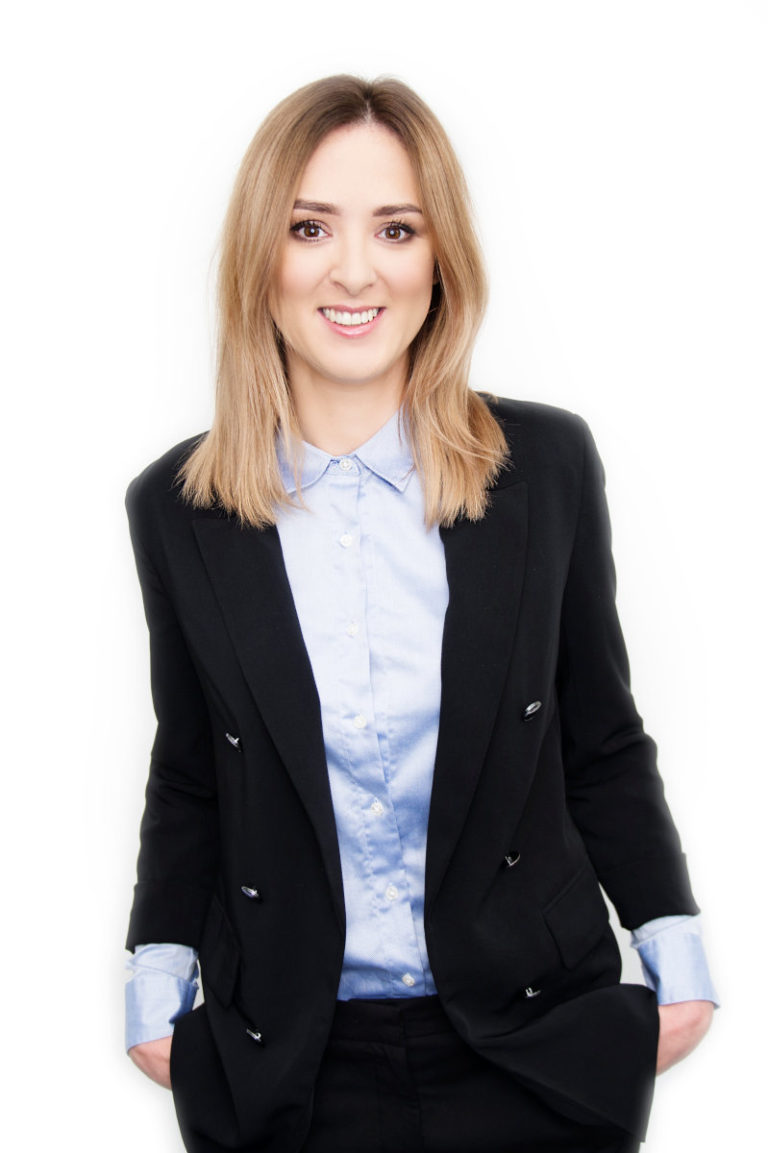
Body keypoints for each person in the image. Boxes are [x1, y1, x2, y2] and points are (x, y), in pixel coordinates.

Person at [124, 75, 717, 1153]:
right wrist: (155, 979)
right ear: (260, 255)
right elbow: (194, 766)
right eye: (310, 227)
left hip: (534, 1043)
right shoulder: (178, 507)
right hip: (289, 1061)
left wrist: (675, 954)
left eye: (396, 228)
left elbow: (600, 734)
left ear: (441, 258)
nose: (355, 270)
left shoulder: (545, 467)